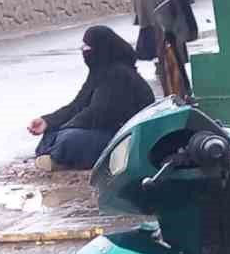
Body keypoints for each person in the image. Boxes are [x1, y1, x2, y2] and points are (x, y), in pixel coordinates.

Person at [27, 25, 154, 171]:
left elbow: (99, 113)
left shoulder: (119, 74)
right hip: (103, 129)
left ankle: (57, 159)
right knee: (52, 132)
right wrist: (47, 121)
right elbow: (77, 105)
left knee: (68, 138)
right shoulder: (99, 72)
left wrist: (66, 127)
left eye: (87, 46)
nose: (84, 50)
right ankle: (56, 156)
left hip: (125, 135)